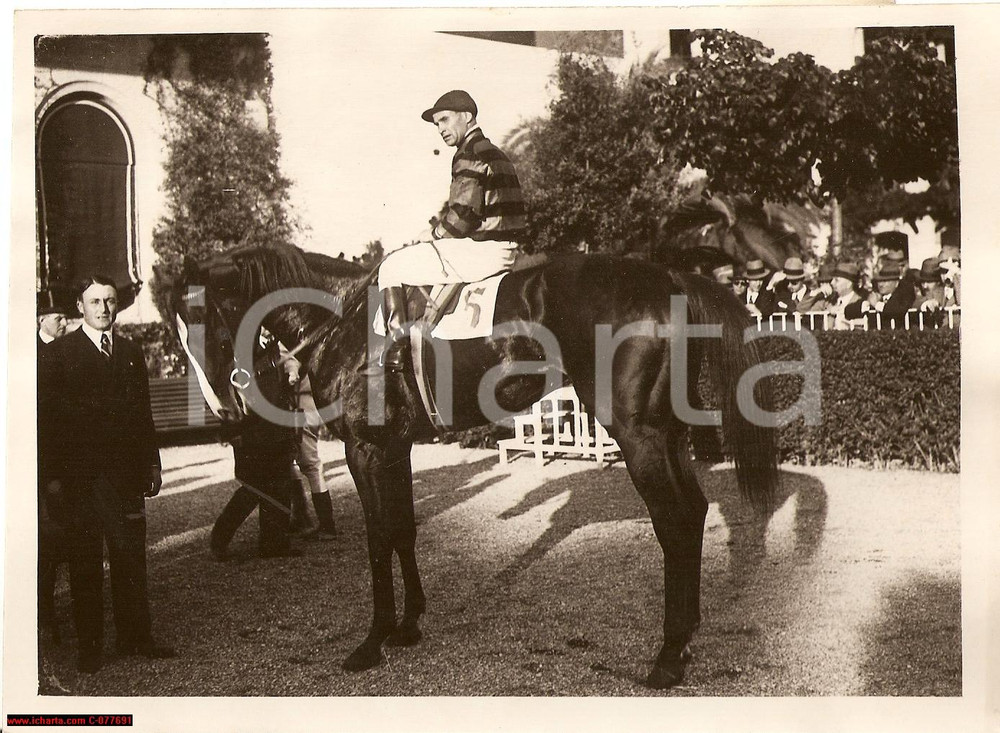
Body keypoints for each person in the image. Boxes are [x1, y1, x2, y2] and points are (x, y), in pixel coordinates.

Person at [37, 275, 175, 673]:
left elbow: (143, 414)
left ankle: (136, 637)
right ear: (80, 307)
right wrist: (52, 479)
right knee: (85, 562)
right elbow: (47, 422)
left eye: (110, 301)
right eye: (95, 301)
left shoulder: (130, 352)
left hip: (126, 474)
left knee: (130, 557)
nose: (103, 308)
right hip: (80, 479)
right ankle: (91, 647)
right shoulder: (59, 354)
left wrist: (152, 463)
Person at [362, 89, 526, 375]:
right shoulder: (495, 152)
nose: (440, 129)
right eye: (437, 124)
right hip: (506, 248)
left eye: (445, 120)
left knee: (390, 267)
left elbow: (463, 216)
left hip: (482, 250)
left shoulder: (469, 153)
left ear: (467, 117)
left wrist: (433, 234)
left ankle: (396, 350)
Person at [210, 331, 303, 560]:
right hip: (252, 432)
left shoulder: (274, 348)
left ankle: (274, 544)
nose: (269, 331)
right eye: (264, 327)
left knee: (280, 485)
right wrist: (233, 431)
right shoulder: (238, 348)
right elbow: (228, 391)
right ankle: (219, 539)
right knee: (252, 489)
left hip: (277, 426)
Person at [37, 293, 72, 646]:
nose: (64, 322)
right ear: (40, 320)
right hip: (48, 467)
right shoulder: (30, 356)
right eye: (57, 317)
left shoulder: (69, 351)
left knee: (69, 541)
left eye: (65, 316)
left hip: (71, 462)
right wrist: (50, 476)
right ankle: (45, 616)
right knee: (46, 545)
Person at [277, 345, 337, 541]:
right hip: (293, 401)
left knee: (310, 463)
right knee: (289, 461)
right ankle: (300, 515)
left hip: (302, 401)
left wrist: (291, 370)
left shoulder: (286, 337)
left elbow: (292, 359)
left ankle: (327, 526)